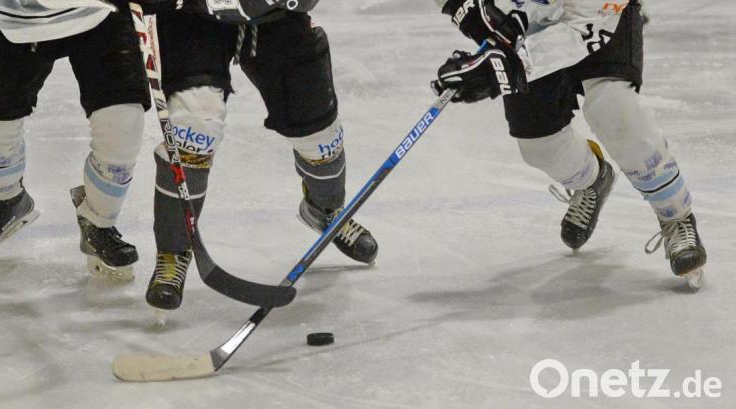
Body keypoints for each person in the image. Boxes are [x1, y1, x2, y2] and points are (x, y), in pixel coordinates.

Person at [430, 0, 706, 288]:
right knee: (540, 147)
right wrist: (469, 11)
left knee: (613, 108)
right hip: (528, 23)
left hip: (599, 17)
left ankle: (675, 215)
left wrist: (501, 69)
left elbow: (584, 24)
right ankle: (592, 180)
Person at [139, 0, 380, 311]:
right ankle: (173, 251)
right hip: (192, 19)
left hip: (274, 15)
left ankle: (325, 210)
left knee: (320, 137)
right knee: (195, 124)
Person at [0, 0, 150, 281]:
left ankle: (98, 221)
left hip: (102, 16)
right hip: (19, 24)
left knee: (122, 123)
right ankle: (8, 201)